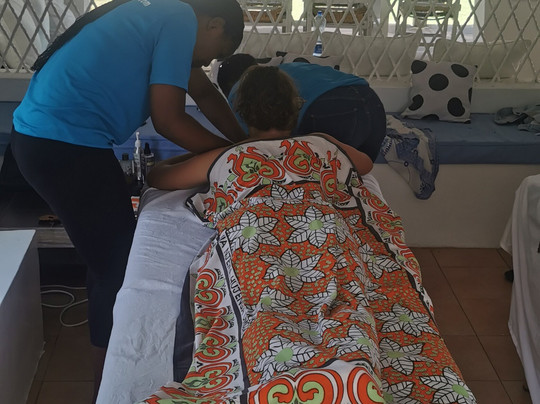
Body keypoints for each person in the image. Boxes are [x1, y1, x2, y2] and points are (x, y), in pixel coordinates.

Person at [140, 66, 474, 404]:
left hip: (258, 236)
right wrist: (324, 144)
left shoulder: (228, 157)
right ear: (296, 108)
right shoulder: (322, 144)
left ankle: (283, 380)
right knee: (351, 296)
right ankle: (355, 370)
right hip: (329, 232)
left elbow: (159, 176)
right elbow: (365, 165)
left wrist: (210, 153)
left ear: (241, 112)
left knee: (267, 303)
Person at [10, 0, 245, 400]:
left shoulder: (159, 19)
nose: (207, 63)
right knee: (117, 268)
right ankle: (107, 388)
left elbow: (205, 93)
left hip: (49, 141)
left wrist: (242, 143)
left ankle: (104, 377)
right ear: (214, 25)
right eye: (215, 54)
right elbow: (169, 121)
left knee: (109, 261)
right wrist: (234, 157)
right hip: (63, 146)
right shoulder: (179, 19)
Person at [217, 53, 387, 162]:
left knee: (312, 171)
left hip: (329, 108)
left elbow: (248, 142)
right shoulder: (286, 70)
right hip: (373, 104)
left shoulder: (243, 88)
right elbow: (365, 165)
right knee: (356, 175)